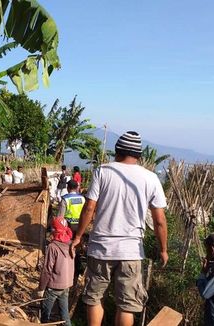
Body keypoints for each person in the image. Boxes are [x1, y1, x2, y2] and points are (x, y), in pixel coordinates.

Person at [71, 131, 168, 326]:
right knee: (126, 305)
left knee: (94, 298)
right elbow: (159, 221)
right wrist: (163, 249)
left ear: (117, 151)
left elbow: (89, 207)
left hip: (100, 249)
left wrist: (78, 236)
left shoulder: (103, 171)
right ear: (139, 155)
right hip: (131, 251)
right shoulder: (151, 178)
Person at [39, 216, 75, 326]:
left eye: (52, 229)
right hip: (66, 285)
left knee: (45, 313)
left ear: (55, 230)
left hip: (54, 286)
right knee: (64, 314)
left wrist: (41, 288)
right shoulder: (71, 244)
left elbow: (47, 270)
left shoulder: (52, 246)